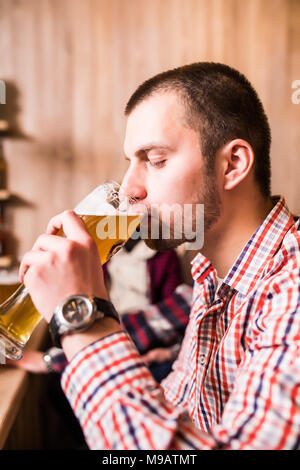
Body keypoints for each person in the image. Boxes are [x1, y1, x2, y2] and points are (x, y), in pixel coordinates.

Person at [19, 62, 300, 449]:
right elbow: (181, 406)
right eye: (129, 163)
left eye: (154, 160)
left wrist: (82, 315)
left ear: (232, 164)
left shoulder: (292, 284)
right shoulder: (213, 275)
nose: (129, 189)